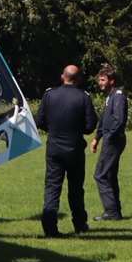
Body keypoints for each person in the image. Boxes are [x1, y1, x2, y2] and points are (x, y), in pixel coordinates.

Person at [33, 64, 97, 237]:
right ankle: (79, 224)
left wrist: (53, 129)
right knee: (76, 189)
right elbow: (90, 125)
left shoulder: (49, 95)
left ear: (63, 77)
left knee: (52, 188)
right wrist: (77, 129)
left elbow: (39, 121)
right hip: (75, 149)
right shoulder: (83, 97)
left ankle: (50, 227)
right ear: (78, 79)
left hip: (54, 149)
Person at [92, 64, 128, 221]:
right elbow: (104, 119)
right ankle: (116, 212)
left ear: (111, 81)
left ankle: (111, 212)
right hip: (109, 138)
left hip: (114, 140)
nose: (100, 82)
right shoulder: (110, 96)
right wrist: (96, 138)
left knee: (101, 175)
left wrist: (109, 137)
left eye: (102, 80)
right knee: (110, 175)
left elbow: (119, 120)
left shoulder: (118, 95)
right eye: (99, 80)